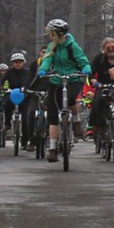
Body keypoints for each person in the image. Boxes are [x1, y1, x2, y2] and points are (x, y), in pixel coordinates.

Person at [36, 18, 92, 163]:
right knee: (53, 114)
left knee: (72, 97)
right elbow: (47, 60)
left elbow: (82, 59)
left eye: (50, 32)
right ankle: (53, 149)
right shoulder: (51, 46)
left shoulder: (72, 46)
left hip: (72, 78)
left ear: (55, 32)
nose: (48, 34)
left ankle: (76, 121)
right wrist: (43, 69)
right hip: (56, 80)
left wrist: (86, 68)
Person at [89, 36, 114, 146]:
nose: (111, 49)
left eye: (113, 47)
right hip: (103, 86)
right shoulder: (98, 59)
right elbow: (91, 74)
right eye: (108, 47)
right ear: (104, 48)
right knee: (98, 102)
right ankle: (101, 127)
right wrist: (95, 82)